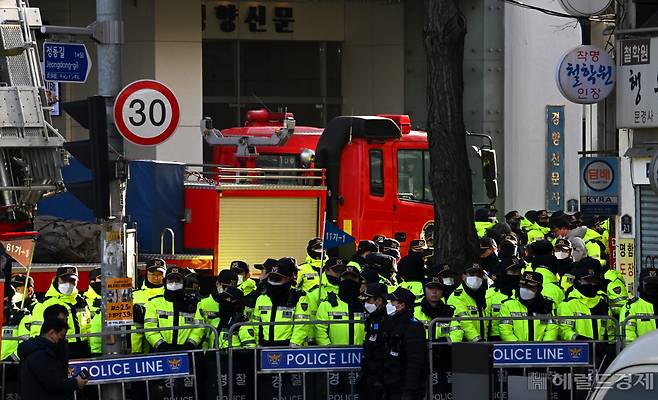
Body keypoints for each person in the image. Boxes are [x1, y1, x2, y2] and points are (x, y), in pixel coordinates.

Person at [18, 305, 88, 400]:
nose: (64, 323)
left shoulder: (50, 348)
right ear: (51, 332)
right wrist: (75, 382)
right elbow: (52, 383)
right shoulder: (40, 353)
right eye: (62, 320)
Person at [30, 266, 92, 359]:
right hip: (57, 350)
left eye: (72, 281)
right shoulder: (44, 304)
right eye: (64, 280)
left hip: (83, 351)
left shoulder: (81, 302)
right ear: (56, 280)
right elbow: (37, 333)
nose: (68, 284)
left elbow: (88, 327)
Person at [380, 287, 428, 400]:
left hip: (404, 388)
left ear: (402, 304)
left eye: (392, 301)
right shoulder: (394, 323)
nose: (389, 304)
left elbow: (415, 361)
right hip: (392, 384)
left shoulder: (413, 327)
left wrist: (409, 391)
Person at [251, 257, 310, 346]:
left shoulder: (299, 297)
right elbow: (257, 325)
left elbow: (302, 324)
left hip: (289, 348)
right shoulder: (262, 297)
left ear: (289, 278)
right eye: (271, 278)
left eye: (278, 278)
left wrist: (294, 345)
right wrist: (259, 344)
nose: (273, 282)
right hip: (265, 347)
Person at [144, 267, 203, 351]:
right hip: (160, 352)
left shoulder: (195, 304)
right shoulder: (154, 303)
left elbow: (199, 328)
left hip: (187, 352)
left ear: (184, 283)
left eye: (178, 280)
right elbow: (149, 328)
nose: (174, 283)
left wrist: (190, 344)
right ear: (165, 282)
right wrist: (161, 345)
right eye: (171, 280)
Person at [558, 262, 615, 341]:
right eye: (588, 280)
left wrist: (610, 345)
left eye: (594, 280)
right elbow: (564, 331)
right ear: (578, 280)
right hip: (577, 351)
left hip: (600, 350)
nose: (592, 283)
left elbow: (609, 329)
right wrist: (580, 340)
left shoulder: (602, 302)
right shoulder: (568, 304)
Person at [499, 271, 558, 341]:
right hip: (516, 349)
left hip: (541, 349)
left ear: (539, 289)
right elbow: (505, 330)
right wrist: (519, 346)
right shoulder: (508, 305)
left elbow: (551, 329)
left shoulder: (547, 305)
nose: (525, 289)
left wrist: (543, 346)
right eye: (523, 286)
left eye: (530, 287)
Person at [315, 266, 366, 345]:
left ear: (359, 281)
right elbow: (320, 331)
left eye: (353, 278)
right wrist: (330, 349)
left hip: (360, 353)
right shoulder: (327, 305)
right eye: (345, 278)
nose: (349, 281)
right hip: (335, 354)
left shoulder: (364, 305)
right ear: (339, 280)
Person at [358, 283, 389, 400]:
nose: (366, 302)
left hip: (381, 374)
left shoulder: (387, 319)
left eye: (369, 299)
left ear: (380, 300)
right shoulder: (373, 317)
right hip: (371, 371)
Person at [131, 258, 166, 354]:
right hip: (135, 349)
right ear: (146, 274)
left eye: (160, 275)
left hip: (160, 347)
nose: (156, 278)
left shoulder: (168, 296)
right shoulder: (134, 295)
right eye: (153, 274)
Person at [448, 264, 489, 342]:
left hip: (482, 342)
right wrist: (477, 339)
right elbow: (464, 321)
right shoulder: (457, 296)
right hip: (466, 344)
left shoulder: (481, 295)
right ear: (463, 276)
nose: (476, 278)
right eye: (472, 274)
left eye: (479, 275)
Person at [414, 276, 462, 342]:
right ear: (424, 289)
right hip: (421, 350)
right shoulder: (414, 311)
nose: (434, 291)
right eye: (431, 288)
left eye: (438, 288)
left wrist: (444, 344)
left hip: (444, 350)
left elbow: (457, 332)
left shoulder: (450, 311)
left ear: (442, 291)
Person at [486, 258, 523, 341]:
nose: (516, 275)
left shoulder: (524, 293)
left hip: (519, 341)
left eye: (518, 272)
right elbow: (485, 322)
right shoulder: (491, 294)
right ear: (503, 273)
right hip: (495, 340)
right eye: (512, 272)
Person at [620, 268, 658, 343]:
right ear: (641, 284)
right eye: (649, 284)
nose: (653, 286)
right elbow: (627, 335)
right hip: (642, 352)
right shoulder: (631, 307)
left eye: (655, 283)